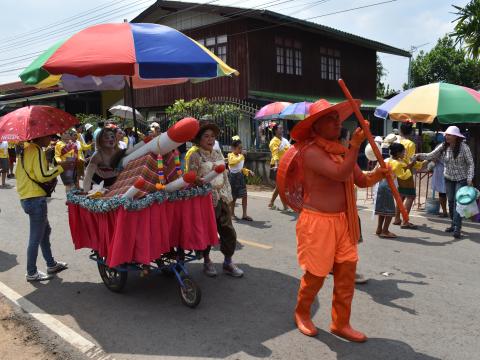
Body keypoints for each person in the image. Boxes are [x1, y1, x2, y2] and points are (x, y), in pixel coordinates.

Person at [281, 100, 386, 341]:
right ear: (316, 126)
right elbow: (340, 174)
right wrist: (355, 146)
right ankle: (302, 313)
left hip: (343, 220)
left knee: (346, 273)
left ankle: (341, 323)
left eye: (338, 119)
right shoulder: (311, 152)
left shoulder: (340, 151)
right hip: (318, 222)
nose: (338, 123)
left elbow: (359, 179)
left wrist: (378, 174)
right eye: (331, 119)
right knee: (316, 275)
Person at [187, 123, 244, 278]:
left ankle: (228, 262)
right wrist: (200, 181)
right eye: (206, 136)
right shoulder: (195, 155)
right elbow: (191, 178)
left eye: (212, 136)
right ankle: (207, 260)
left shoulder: (219, 153)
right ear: (199, 139)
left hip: (222, 197)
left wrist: (228, 195)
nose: (210, 139)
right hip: (205, 199)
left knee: (228, 231)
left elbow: (224, 175)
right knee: (207, 233)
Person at [15, 135, 68, 281]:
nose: (51, 139)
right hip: (35, 199)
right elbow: (43, 176)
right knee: (36, 237)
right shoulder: (36, 150)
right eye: (49, 136)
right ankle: (31, 272)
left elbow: (19, 174)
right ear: (41, 136)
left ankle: (51, 264)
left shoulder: (25, 149)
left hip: (26, 197)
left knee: (45, 232)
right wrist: (62, 167)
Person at [416, 126, 474, 238]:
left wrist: (470, 178)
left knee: (458, 203)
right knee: (451, 202)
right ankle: (453, 223)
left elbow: (471, 163)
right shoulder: (443, 146)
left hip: (461, 179)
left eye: (449, 135)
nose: (447, 136)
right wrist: (419, 156)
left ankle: (457, 227)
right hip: (448, 178)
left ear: (456, 137)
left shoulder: (464, 147)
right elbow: (431, 155)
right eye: (446, 135)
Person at [375, 143, 415, 238]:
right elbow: (404, 176)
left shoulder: (386, 160)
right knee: (389, 211)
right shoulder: (397, 163)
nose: (404, 154)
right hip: (389, 187)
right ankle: (385, 231)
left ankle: (379, 229)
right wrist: (411, 167)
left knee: (382, 210)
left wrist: (408, 165)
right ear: (397, 153)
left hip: (381, 185)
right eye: (403, 152)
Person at [393, 123, 423, 229]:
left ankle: (397, 218)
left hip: (398, 169)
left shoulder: (398, 141)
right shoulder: (411, 144)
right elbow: (411, 159)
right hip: (407, 170)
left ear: (401, 131)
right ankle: (405, 221)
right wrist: (422, 164)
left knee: (401, 195)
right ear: (411, 132)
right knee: (410, 196)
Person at [83, 128, 125, 192]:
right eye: (106, 137)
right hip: (96, 186)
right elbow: (88, 176)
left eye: (112, 136)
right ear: (100, 141)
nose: (110, 139)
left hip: (113, 186)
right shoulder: (97, 155)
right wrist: (86, 193)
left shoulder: (119, 152)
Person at [227, 136, 254, 221]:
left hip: (240, 177)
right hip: (233, 178)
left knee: (244, 195)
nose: (241, 150)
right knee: (233, 197)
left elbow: (240, 168)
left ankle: (244, 214)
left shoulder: (240, 156)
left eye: (241, 148)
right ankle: (232, 214)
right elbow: (233, 162)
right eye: (239, 148)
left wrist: (248, 171)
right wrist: (242, 155)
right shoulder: (230, 155)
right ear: (233, 148)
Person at [268, 123, 290, 210]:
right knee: (281, 186)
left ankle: (271, 203)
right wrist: (277, 165)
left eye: (282, 128)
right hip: (277, 165)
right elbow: (275, 154)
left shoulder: (284, 140)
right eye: (280, 129)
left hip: (284, 164)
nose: (282, 130)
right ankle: (285, 206)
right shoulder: (274, 142)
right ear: (275, 130)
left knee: (279, 186)